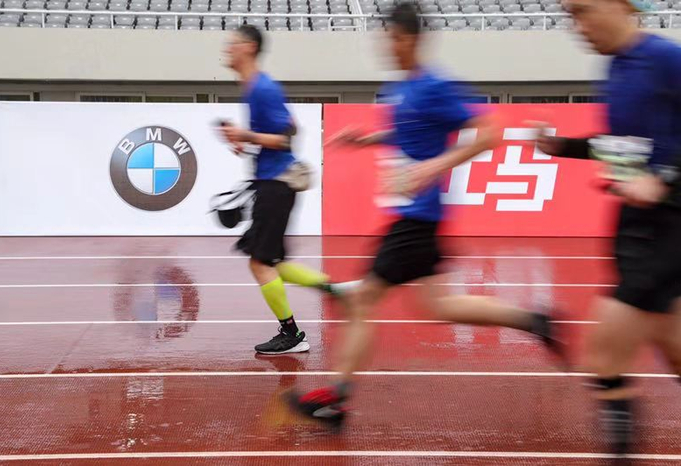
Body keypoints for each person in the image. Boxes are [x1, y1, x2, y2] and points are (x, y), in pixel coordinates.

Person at [285, 3, 565, 427]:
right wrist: (368, 140)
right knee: (439, 305)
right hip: (415, 218)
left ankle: (336, 398)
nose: (387, 46)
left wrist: (436, 166)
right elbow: (409, 132)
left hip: (416, 219)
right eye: (385, 38)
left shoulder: (435, 84)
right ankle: (534, 320)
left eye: (393, 38)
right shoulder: (403, 89)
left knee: (362, 298)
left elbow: (490, 132)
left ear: (412, 39)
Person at [535, 0, 681, 461]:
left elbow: (661, 162)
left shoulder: (666, 58)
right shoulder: (615, 69)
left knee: (602, 357)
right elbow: (622, 148)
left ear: (622, 5)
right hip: (634, 225)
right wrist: (562, 146)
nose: (576, 26)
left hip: (671, 225)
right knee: (673, 346)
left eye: (583, 10)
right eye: (569, 16)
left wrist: (664, 180)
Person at [219, 25, 333, 355]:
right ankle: (332, 289)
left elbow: (285, 137)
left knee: (260, 263)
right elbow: (291, 125)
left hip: (277, 184)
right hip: (273, 183)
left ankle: (292, 334)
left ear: (249, 47)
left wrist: (246, 136)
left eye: (233, 43)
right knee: (273, 262)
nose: (227, 49)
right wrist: (248, 142)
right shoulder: (253, 87)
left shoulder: (262, 88)